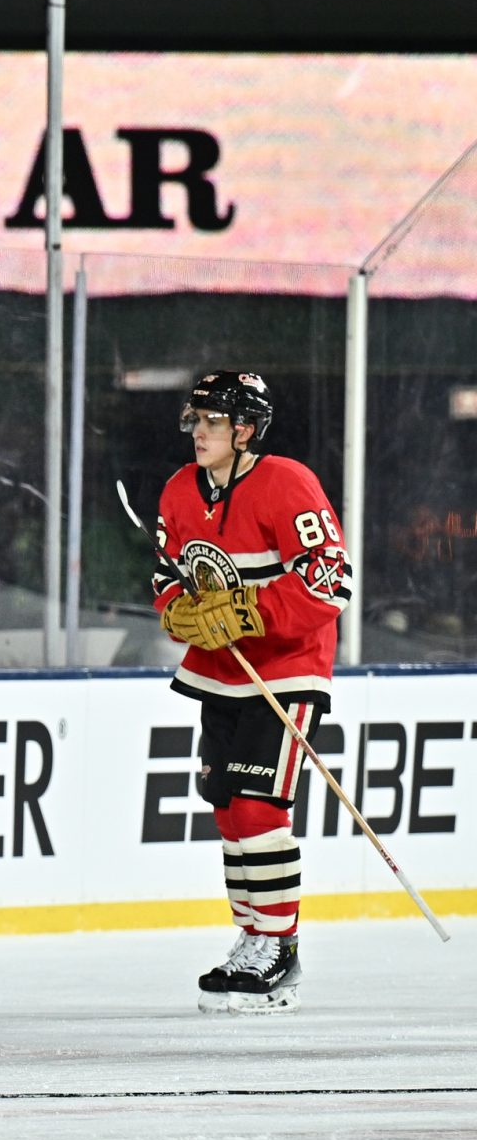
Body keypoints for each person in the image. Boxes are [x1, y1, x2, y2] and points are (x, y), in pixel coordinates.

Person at [152, 371, 351, 1014]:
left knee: (261, 810)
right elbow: (165, 574)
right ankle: (252, 935)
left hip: (286, 671)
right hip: (218, 673)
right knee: (229, 810)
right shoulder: (181, 491)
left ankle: (280, 945)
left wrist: (252, 612)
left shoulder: (287, 482)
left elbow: (330, 584)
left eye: (211, 421)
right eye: (195, 420)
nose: (198, 432)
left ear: (244, 430)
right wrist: (178, 610)